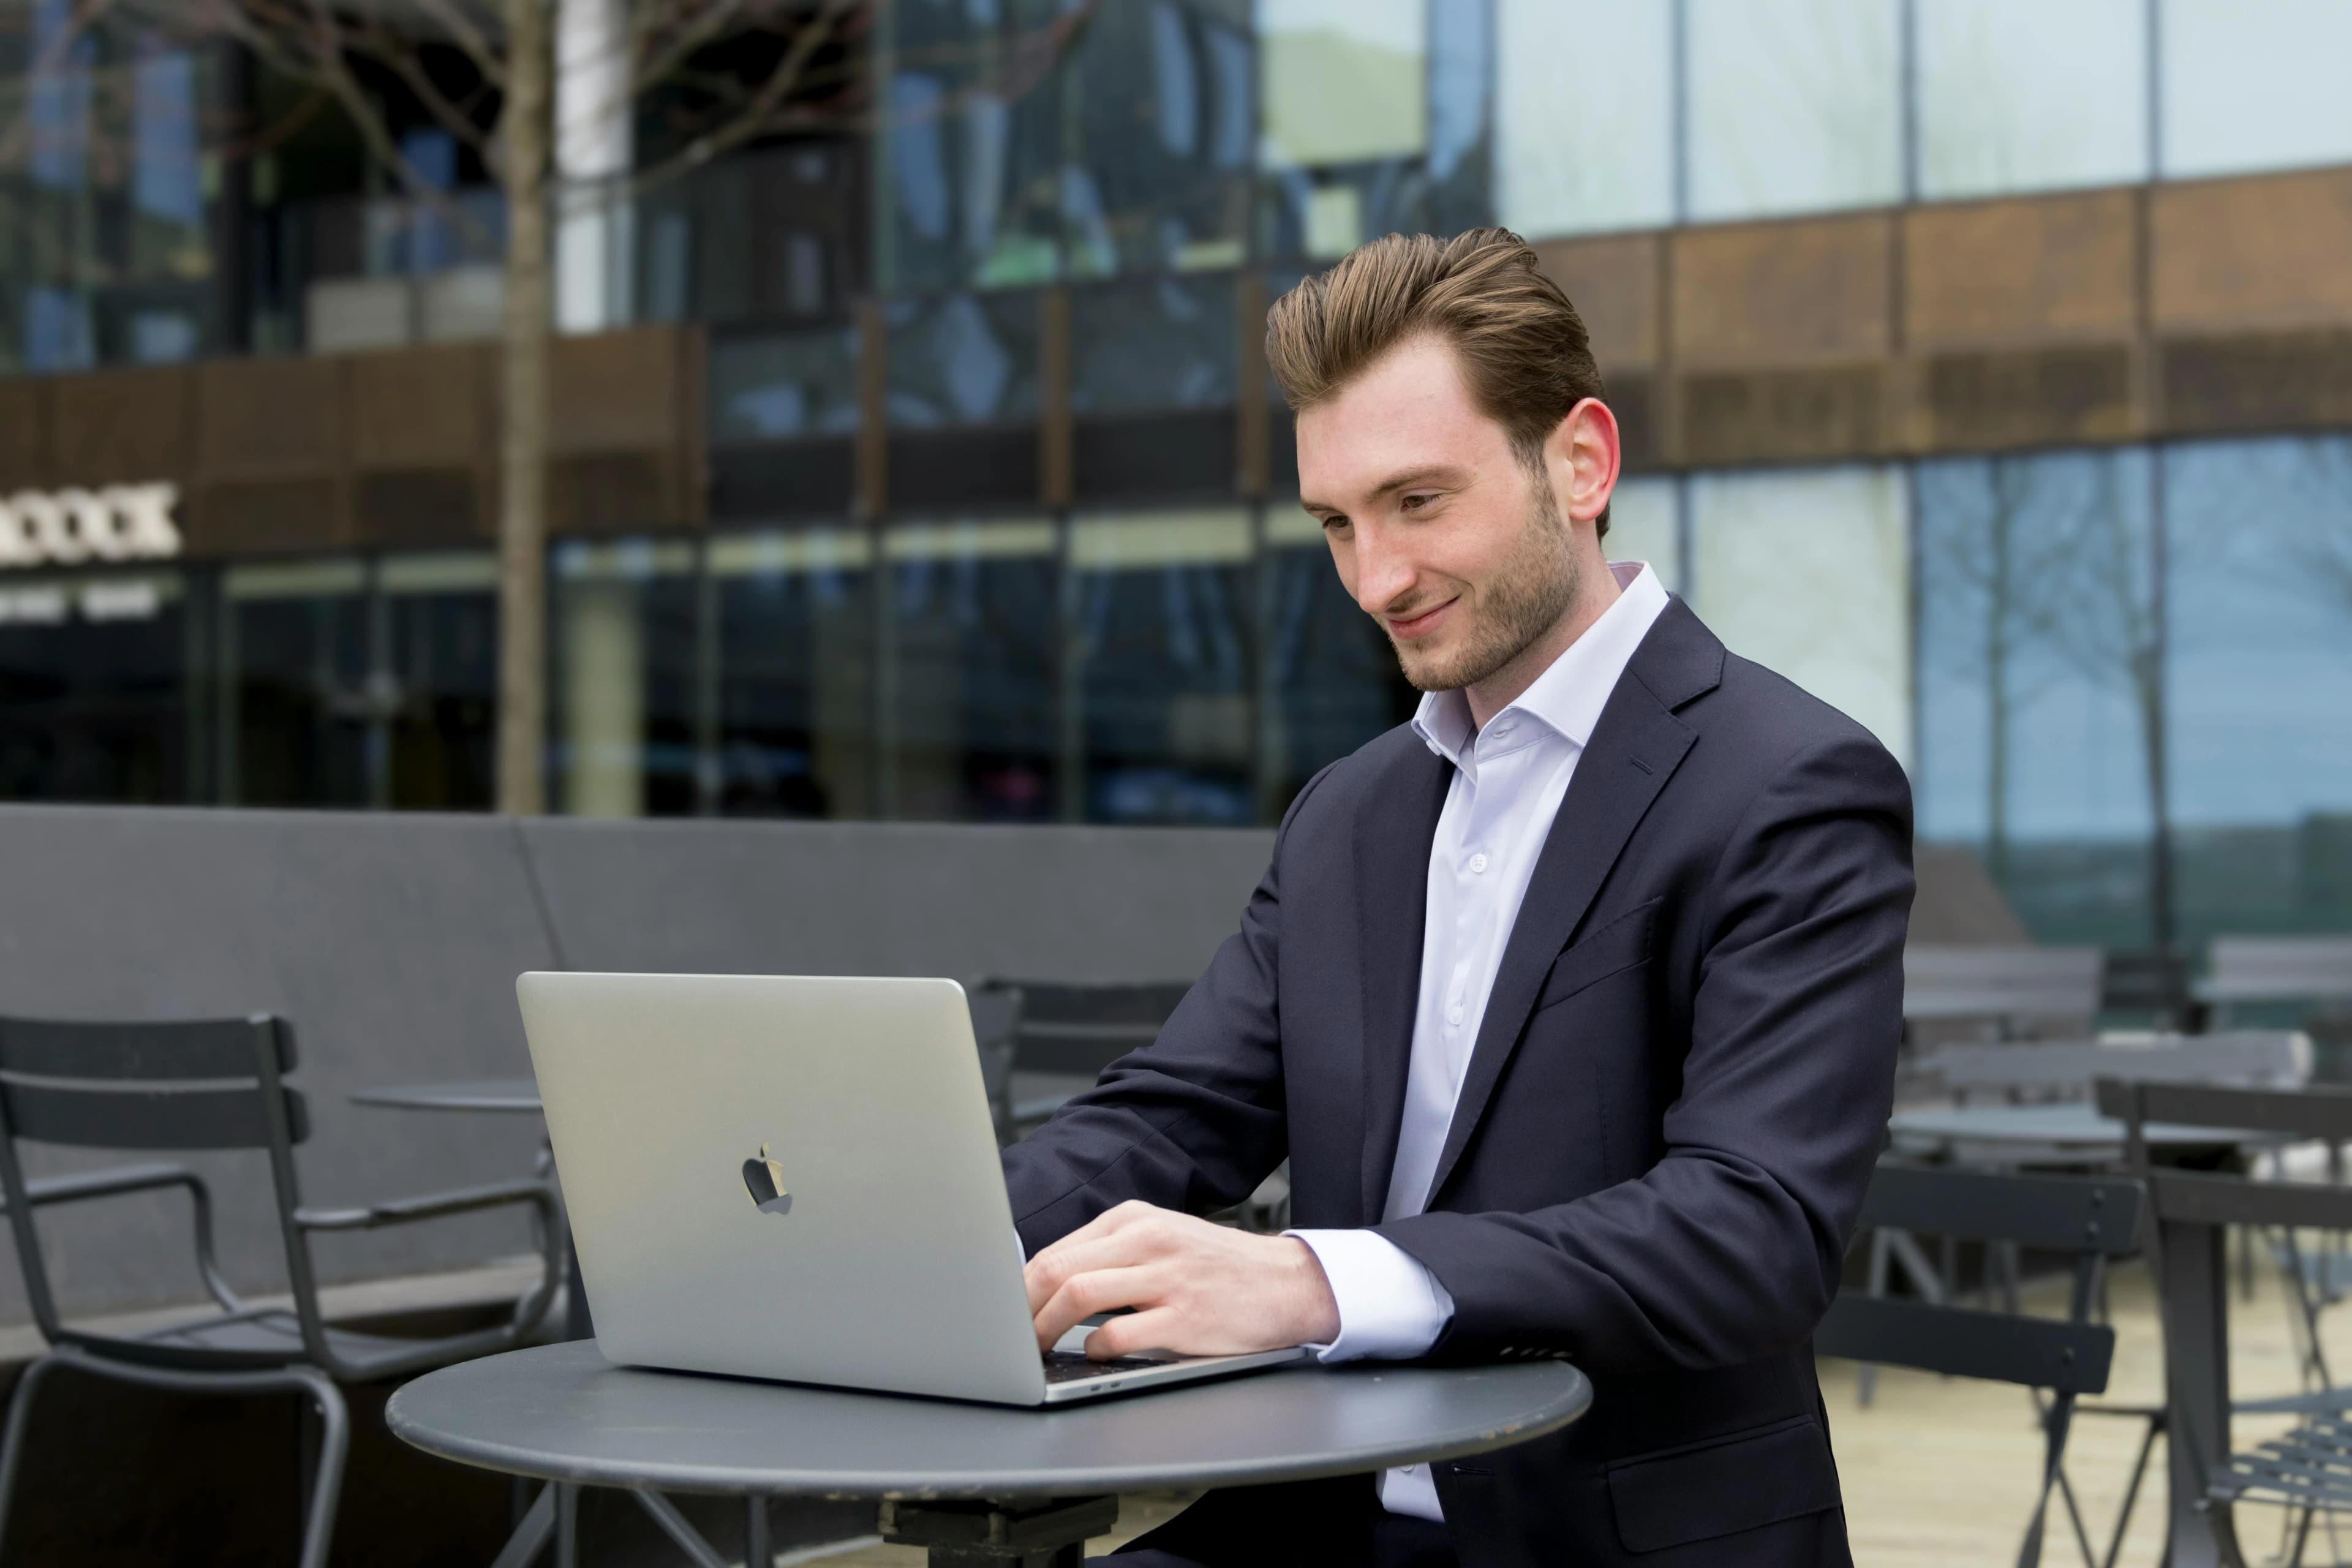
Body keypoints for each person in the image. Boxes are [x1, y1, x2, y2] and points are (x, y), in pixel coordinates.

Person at [1003, 228, 1913, 1568]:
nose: (1376, 578)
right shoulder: (1348, 814)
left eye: (1419, 501)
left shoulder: (1791, 784)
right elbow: (1174, 1114)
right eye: (1337, 524)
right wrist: (908, 1250)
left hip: (1611, 1543)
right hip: (1322, 1519)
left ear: (1581, 462)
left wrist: (1311, 1281)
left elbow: (1752, 1230)